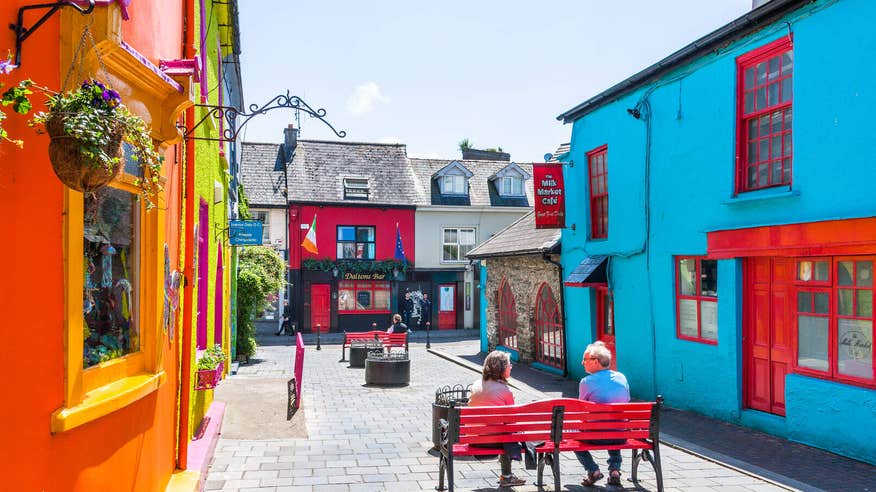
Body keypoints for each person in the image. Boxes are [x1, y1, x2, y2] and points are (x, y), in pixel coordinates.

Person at [468, 350, 526, 488]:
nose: (511, 367)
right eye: (509, 365)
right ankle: (507, 476)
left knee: (503, 431)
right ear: (501, 369)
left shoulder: (476, 385)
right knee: (508, 433)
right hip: (494, 442)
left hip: (473, 439)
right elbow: (512, 423)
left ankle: (507, 476)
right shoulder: (506, 391)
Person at [576, 341, 630, 487]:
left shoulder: (586, 382)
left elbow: (582, 409)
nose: (582, 363)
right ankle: (615, 470)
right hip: (620, 436)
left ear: (595, 361)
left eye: (585, 359)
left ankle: (593, 470)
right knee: (615, 424)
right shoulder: (622, 377)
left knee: (573, 434)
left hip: (596, 437)